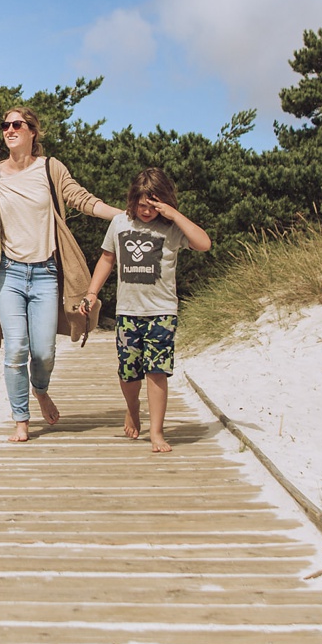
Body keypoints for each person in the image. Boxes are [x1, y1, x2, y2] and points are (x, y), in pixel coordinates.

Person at [0, 107, 122, 442]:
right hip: (9, 274)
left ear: (33, 132)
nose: (9, 129)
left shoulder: (50, 168)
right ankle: (21, 419)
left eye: (17, 124)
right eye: (5, 125)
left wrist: (123, 216)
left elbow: (82, 199)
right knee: (16, 349)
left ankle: (41, 389)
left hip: (46, 272)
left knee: (44, 351)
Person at [82, 167, 210, 453]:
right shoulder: (119, 223)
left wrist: (174, 214)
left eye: (153, 206)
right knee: (129, 373)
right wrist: (92, 293)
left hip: (162, 311)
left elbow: (204, 244)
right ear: (132, 200)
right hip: (128, 312)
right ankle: (133, 408)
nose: (146, 211)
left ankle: (157, 431)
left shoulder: (172, 228)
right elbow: (106, 259)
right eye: (141, 205)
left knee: (157, 371)